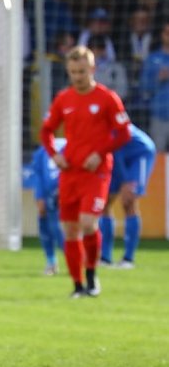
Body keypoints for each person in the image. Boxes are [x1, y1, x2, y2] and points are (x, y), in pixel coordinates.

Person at [40, 45, 132, 298]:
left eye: (81, 71)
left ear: (92, 69)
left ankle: (92, 275)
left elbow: (124, 132)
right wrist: (55, 154)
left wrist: (100, 153)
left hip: (97, 171)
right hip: (70, 171)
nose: (77, 77)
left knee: (88, 223)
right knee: (70, 230)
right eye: (73, 72)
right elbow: (46, 130)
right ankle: (78, 286)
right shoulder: (63, 98)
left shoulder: (107, 98)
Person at [98, 124, 156, 268]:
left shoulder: (110, 125)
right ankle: (105, 258)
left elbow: (117, 151)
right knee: (104, 204)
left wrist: (125, 181)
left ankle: (128, 259)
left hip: (140, 154)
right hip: (118, 159)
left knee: (128, 201)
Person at [26, 139, 66, 275]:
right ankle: (51, 262)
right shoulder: (41, 152)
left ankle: (76, 262)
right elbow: (38, 175)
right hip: (48, 194)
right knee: (44, 223)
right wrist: (39, 196)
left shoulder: (69, 146)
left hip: (66, 192)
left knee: (62, 229)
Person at [139, 21, 169, 151]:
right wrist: (159, 78)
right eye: (168, 33)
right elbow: (144, 87)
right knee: (158, 153)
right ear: (162, 35)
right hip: (160, 115)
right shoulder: (152, 58)